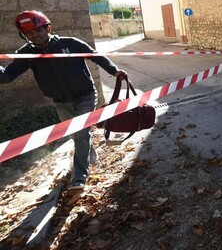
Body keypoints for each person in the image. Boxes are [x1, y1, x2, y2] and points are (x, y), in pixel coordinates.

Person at [0, 10, 127, 190]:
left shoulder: (70, 44)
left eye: (38, 30)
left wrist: (114, 71)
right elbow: (6, 77)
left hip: (85, 95)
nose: (34, 35)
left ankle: (79, 178)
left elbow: (95, 55)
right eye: (29, 33)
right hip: (60, 102)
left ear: (48, 28)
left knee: (82, 134)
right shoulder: (27, 54)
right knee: (76, 135)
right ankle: (89, 155)